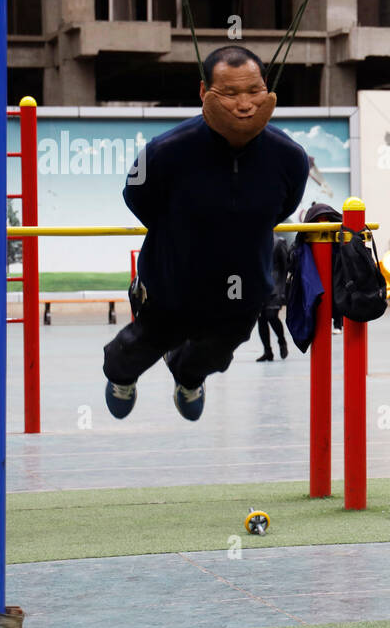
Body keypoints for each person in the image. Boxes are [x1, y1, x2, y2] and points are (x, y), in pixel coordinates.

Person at [102, 45, 307, 420]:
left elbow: (284, 209)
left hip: (244, 288)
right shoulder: (164, 152)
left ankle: (188, 378)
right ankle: (121, 376)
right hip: (171, 281)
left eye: (254, 91)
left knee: (217, 352)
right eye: (229, 93)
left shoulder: (289, 157)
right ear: (203, 93)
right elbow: (137, 199)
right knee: (141, 345)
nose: (244, 104)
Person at [256, 235, 290, 362]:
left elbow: (285, 266)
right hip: (260, 285)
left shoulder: (279, 242)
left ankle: (281, 341)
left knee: (271, 316)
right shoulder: (254, 241)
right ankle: (267, 351)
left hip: (275, 285)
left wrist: (282, 288)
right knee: (261, 319)